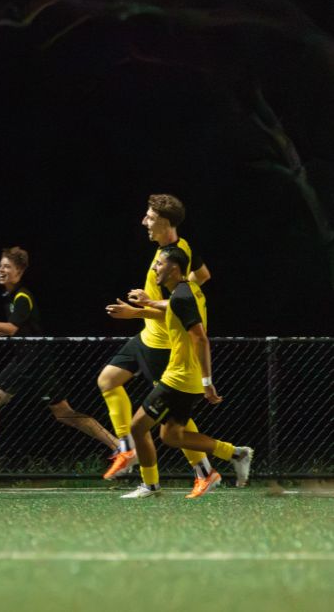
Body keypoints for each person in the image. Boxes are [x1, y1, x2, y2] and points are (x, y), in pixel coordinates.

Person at [0, 247, 118, 477]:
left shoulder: (22, 297)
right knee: (63, 413)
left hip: (30, 361)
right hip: (35, 361)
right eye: (0, 266)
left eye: (7, 267)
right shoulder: (11, 297)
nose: (1, 270)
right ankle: (118, 445)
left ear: (19, 271)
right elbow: (22, 326)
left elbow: (13, 328)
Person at [100, 194, 218, 491]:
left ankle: (204, 470)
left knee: (172, 420)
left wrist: (136, 311)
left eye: (150, 218)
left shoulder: (174, 259)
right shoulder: (179, 248)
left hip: (162, 344)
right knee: (108, 380)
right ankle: (127, 447)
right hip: (146, 335)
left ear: (165, 223)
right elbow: (203, 275)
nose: (144, 222)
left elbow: (176, 306)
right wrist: (182, 294)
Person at [117, 247, 253, 498]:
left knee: (137, 427)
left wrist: (208, 381)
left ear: (174, 268)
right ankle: (236, 453)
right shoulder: (188, 291)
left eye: (159, 264)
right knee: (172, 435)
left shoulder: (182, 297)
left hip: (179, 379)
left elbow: (201, 339)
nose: (155, 268)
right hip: (186, 379)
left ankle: (150, 486)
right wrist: (147, 304)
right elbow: (173, 305)